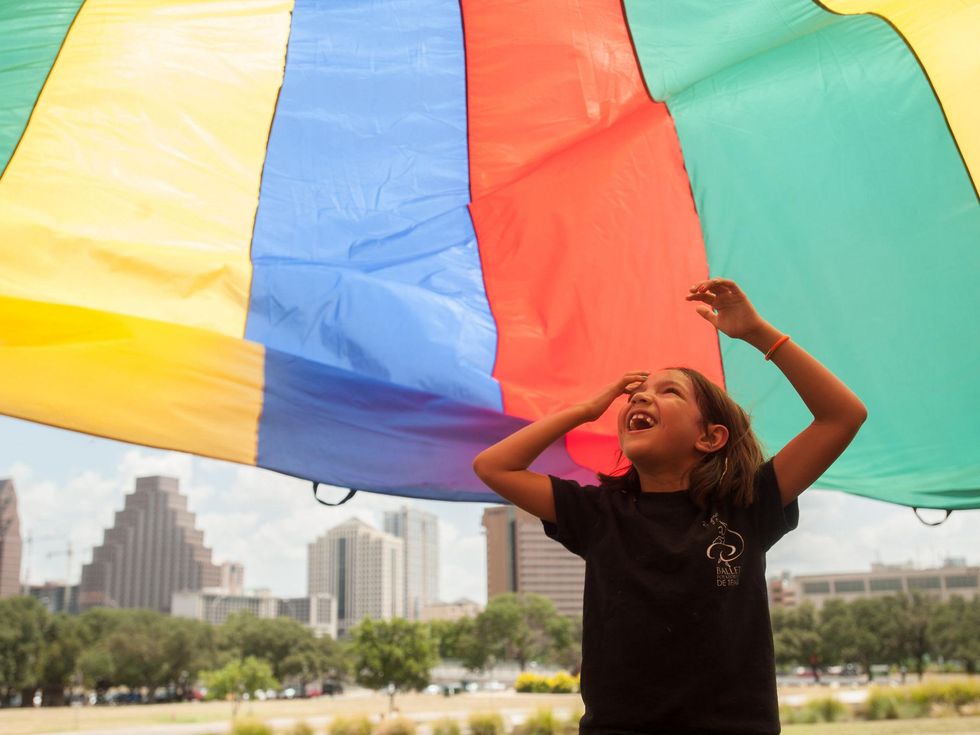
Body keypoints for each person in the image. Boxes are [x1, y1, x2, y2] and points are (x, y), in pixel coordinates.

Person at [472, 278, 867, 734]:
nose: (641, 396)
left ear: (710, 436)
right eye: (638, 394)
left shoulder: (748, 504)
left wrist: (758, 333)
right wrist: (586, 409)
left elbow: (843, 415)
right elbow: (494, 466)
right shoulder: (598, 513)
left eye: (670, 392)